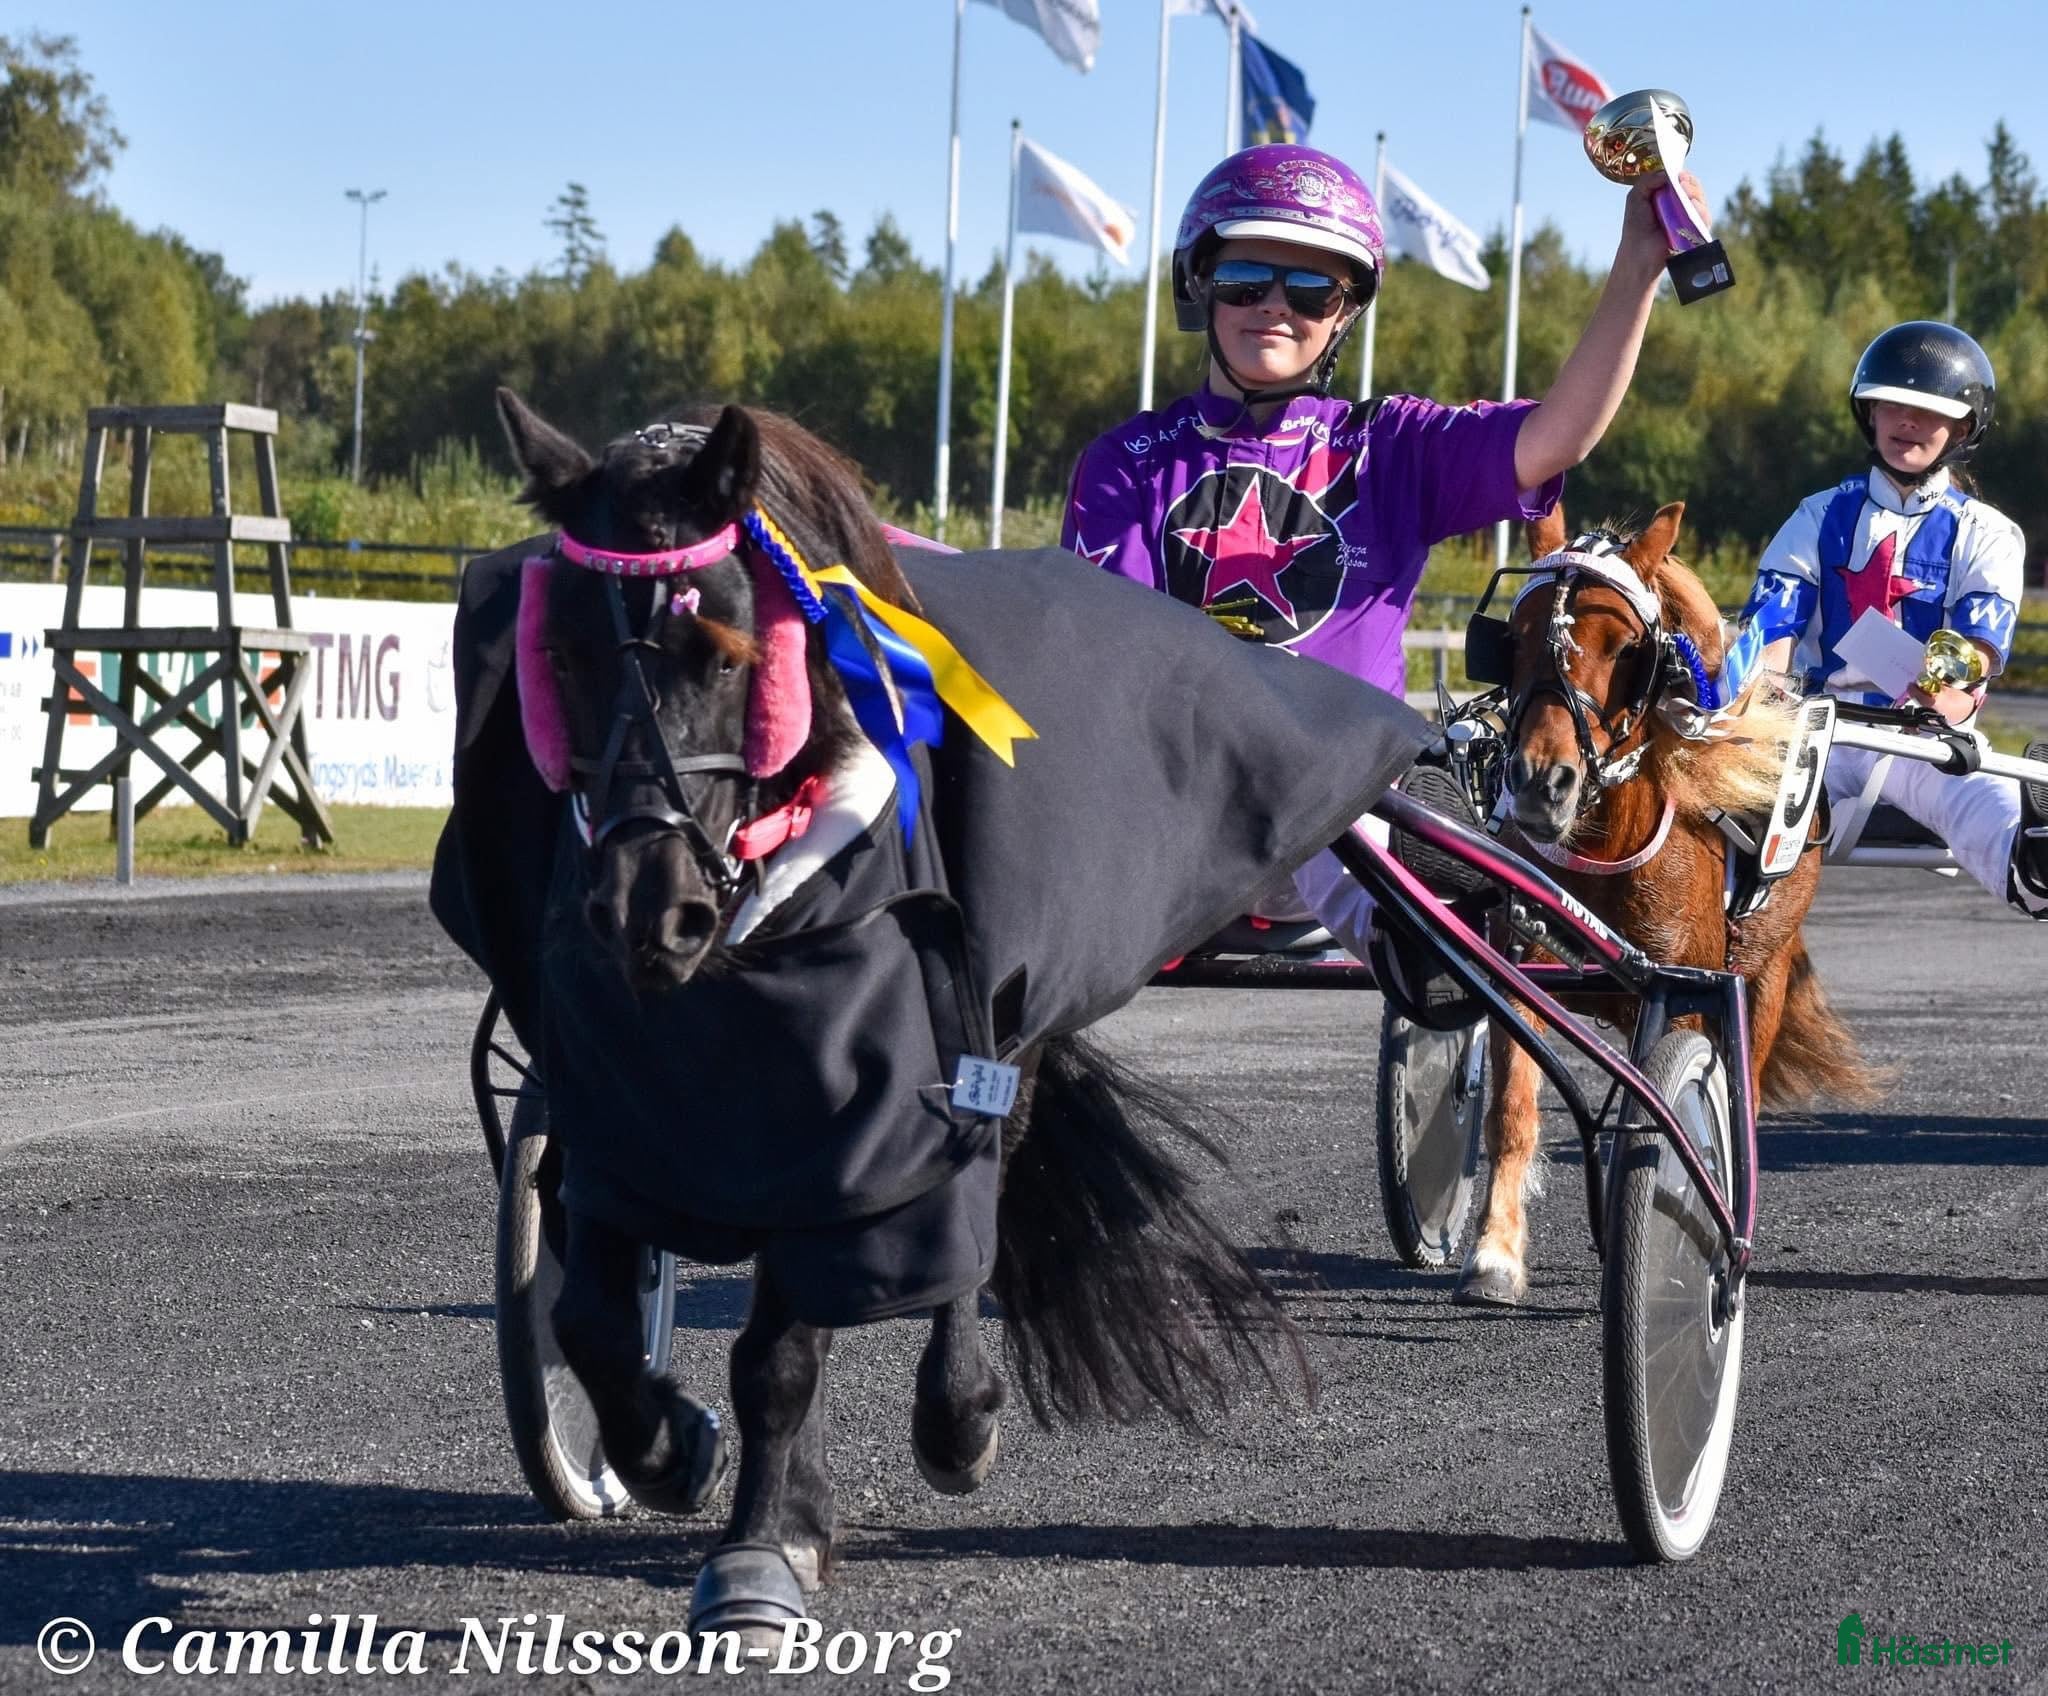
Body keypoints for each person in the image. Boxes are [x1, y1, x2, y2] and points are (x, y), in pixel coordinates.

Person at [1059, 141, 1708, 950]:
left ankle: (1417, 942)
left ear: (1344, 311)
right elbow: (1109, 658)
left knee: (1349, 788)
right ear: (1201, 288)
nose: (1274, 306)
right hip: (1176, 820)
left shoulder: (1389, 447)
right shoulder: (1125, 463)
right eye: (1243, 281)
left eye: (1310, 289)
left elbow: (1555, 437)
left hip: (1341, 821)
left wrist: (1639, 265)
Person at [1736, 320, 2048, 918]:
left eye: (1927, 412)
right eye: (1894, 406)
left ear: (1962, 427)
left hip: (1923, 737)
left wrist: (1948, 696)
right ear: (1870, 414)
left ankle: (2033, 838)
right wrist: (1762, 702)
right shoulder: (1817, 515)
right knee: (1732, 822)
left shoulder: (1989, 533)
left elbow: (1978, 652)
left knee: (2008, 836)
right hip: (1820, 732)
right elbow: (1772, 632)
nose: (1907, 421)